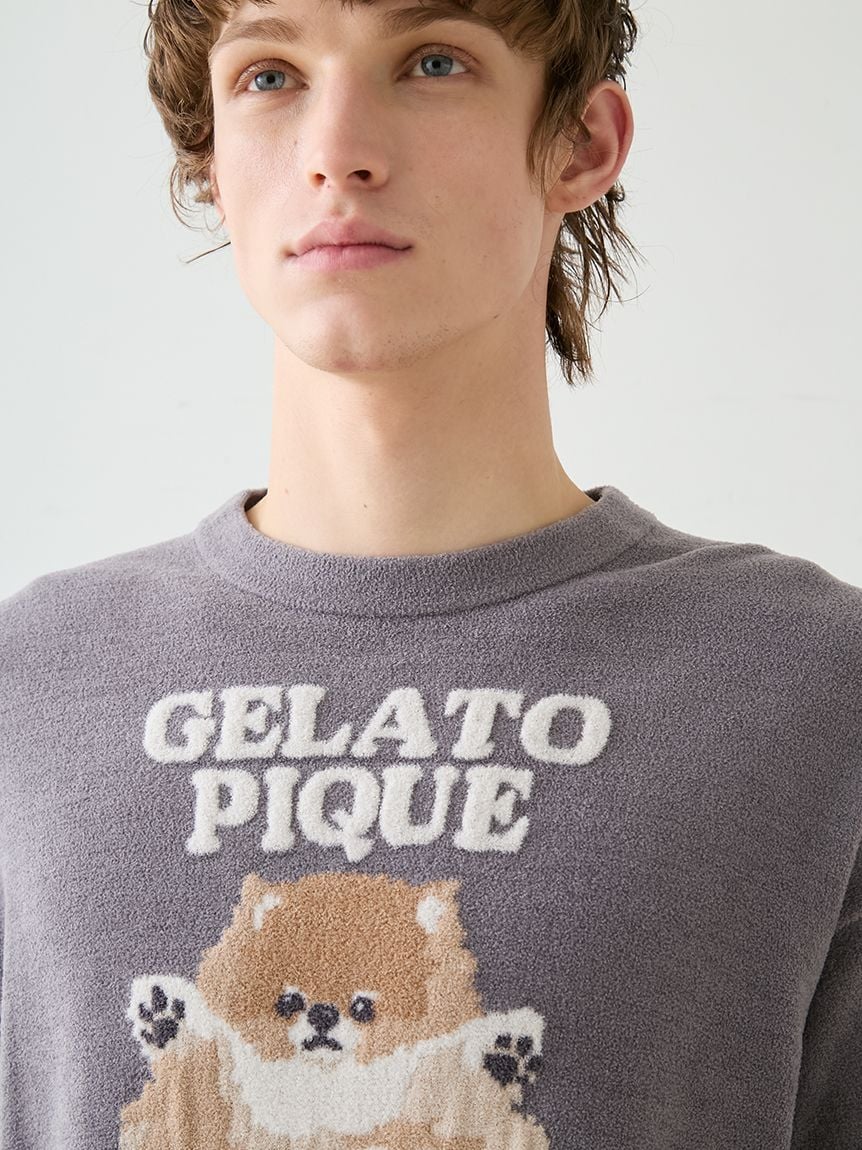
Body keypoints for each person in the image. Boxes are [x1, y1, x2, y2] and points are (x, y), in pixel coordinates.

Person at [1, 1, 860, 1147]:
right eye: (269, 75)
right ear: (208, 160)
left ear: (580, 143)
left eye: (434, 61)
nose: (337, 150)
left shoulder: (809, 684)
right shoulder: (32, 682)